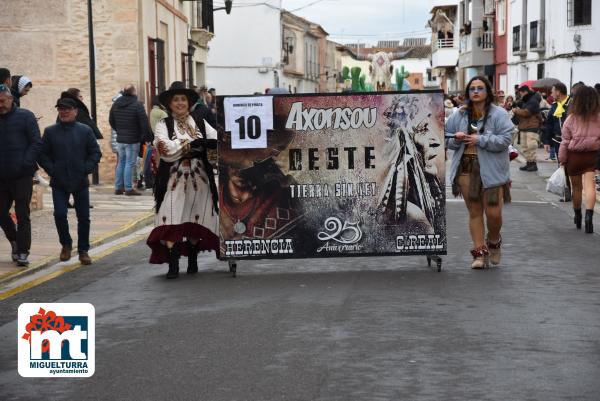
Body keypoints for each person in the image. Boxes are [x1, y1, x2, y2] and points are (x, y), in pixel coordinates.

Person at [147, 82, 219, 279]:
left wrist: (205, 143)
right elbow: (164, 148)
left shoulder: (200, 122)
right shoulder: (164, 124)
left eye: (183, 99)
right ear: (170, 104)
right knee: (170, 217)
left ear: (189, 103)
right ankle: (173, 265)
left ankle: (193, 262)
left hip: (200, 178)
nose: (180, 103)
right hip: (173, 180)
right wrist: (191, 144)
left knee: (196, 216)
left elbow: (217, 139)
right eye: (176, 100)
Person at [446, 76, 513, 269]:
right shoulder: (458, 114)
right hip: (466, 168)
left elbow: (505, 140)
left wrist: (480, 140)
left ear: (487, 92)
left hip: (492, 170)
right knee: (475, 211)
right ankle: (479, 253)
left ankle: (493, 240)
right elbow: (447, 139)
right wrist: (457, 139)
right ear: (467, 92)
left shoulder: (499, 114)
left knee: (494, 213)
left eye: (480, 88)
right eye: (472, 88)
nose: (476, 91)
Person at [38, 98, 102, 264]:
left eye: (67, 109)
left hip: (80, 180)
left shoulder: (85, 131)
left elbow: (95, 152)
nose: (64, 112)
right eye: (61, 109)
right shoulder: (50, 131)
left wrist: (85, 168)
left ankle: (83, 251)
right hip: (59, 181)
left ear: (75, 111)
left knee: (84, 218)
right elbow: (42, 154)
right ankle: (66, 244)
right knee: (59, 214)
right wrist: (52, 170)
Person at [0, 83, 42, 266]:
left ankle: (23, 251)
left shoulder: (26, 116)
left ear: (10, 99)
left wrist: (26, 163)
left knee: (22, 213)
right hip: (1, 176)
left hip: (22, 175)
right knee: (1, 213)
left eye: (2, 101)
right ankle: (15, 240)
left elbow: (36, 143)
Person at [558, 85, 600, 234]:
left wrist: (562, 159)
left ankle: (578, 215)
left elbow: (565, 141)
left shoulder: (571, 119)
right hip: (592, 156)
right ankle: (589, 216)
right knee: (590, 186)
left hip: (574, 156)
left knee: (576, 189)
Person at [109, 84, 151, 196]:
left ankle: (118, 187)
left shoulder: (116, 104)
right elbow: (144, 122)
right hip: (133, 139)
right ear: (133, 92)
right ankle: (128, 188)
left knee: (121, 162)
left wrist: (119, 130)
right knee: (129, 163)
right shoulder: (137, 104)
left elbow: (111, 120)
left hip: (120, 138)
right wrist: (145, 136)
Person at [513, 85, 542, 172]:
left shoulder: (533, 101)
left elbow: (526, 113)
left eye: (520, 93)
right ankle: (529, 163)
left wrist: (516, 111)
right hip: (524, 127)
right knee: (525, 147)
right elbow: (521, 106)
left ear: (524, 92)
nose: (520, 95)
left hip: (531, 127)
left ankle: (533, 165)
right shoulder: (526, 100)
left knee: (531, 146)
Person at [540, 82, 571, 164]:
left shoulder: (572, 104)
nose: (551, 94)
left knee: (572, 168)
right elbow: (549, 124)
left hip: (571, 142)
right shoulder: (554, 105)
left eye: (552, 92)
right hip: (558, 141)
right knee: (561, 166)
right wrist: (547, 141)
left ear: (558, 92)